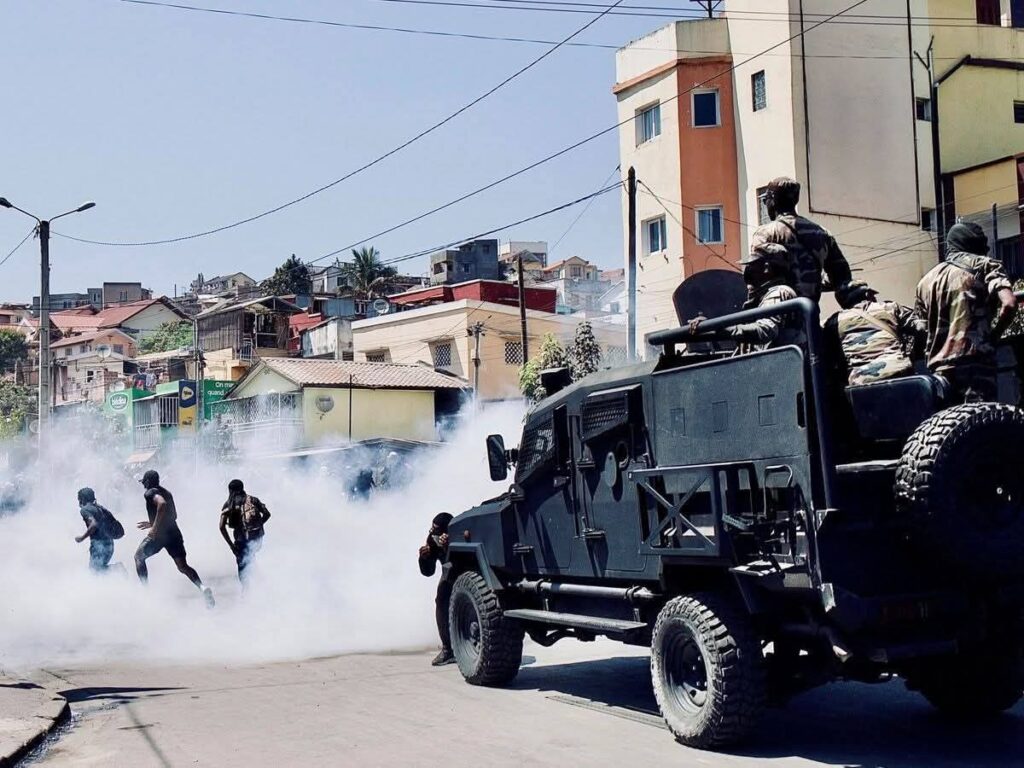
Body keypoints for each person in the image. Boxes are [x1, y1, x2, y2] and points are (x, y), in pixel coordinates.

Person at [915, 221, 1017, 402]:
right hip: (975, 368)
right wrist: (993, 338)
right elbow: (1009, 304)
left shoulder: (925, 283)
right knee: (982, 419)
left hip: (940, 375)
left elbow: (922, 330)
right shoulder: (984, 264)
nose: (986, 250)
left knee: (951, 420)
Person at [750, 176, 853, 304]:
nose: (766, 205)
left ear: (773, 201)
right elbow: (842, 276)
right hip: (810, 312)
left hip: (777, 312)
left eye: (766, 201)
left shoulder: (765, 233)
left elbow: (753, 282)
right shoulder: (822, 233)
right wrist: (811, 282)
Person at [690, 242, 803, 350]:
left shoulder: (778, 292)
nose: (747, 271)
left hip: (780, 362)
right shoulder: (764, 296)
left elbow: (765, 330)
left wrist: (717, 327)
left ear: (766, 268)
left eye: (751, 265)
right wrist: (708, 324)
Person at [135, 470, 215, 608]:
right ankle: (202, 588)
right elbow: (173, 516)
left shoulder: (150, 493)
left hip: (159, 535)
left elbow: (162, 504)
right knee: (183, 566)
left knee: (138, 557)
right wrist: (152, 522)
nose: (143, 485)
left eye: (144, 482)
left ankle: (146, 592)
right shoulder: (167, 492)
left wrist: (154, 528)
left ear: (147, 482)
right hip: (174, 533)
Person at [825, 280, 924, 387]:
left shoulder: (834, 322)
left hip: (861, 383)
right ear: (867, 294)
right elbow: (921, 329)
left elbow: (829, 357)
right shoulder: (889, 308)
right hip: (899, 372)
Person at [419, 512, 455, 667]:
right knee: (441, 600)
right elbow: (429, 572)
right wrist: (424, 558)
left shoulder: (457, 535)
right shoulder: (432, 539)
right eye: (432, 529)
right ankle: (447, 649)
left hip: (467, 571)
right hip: (449, 573)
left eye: (437, 530)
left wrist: (449, 547)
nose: (433, 532)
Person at [219, 479, 271, 585]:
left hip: (240, 541)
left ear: (230, 490)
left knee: (243, 565)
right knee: (250, 558)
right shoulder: (253, 500)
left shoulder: (229, 504)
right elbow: (267, 514)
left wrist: (231, 546)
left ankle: (247, 590)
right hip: (256, 539)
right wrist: (257, 525)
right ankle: (262, 584)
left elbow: (221, 526)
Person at [75, 487, 123, 572]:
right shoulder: (100, 508)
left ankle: (117, 568)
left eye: (79, 499)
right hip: (109, 544)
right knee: (97, 570)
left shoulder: (85, 510)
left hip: (99, 546)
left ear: (83, 499)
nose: (79, 502)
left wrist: (82, 538)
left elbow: (93, 524)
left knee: (95, 571)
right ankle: (116, 569)